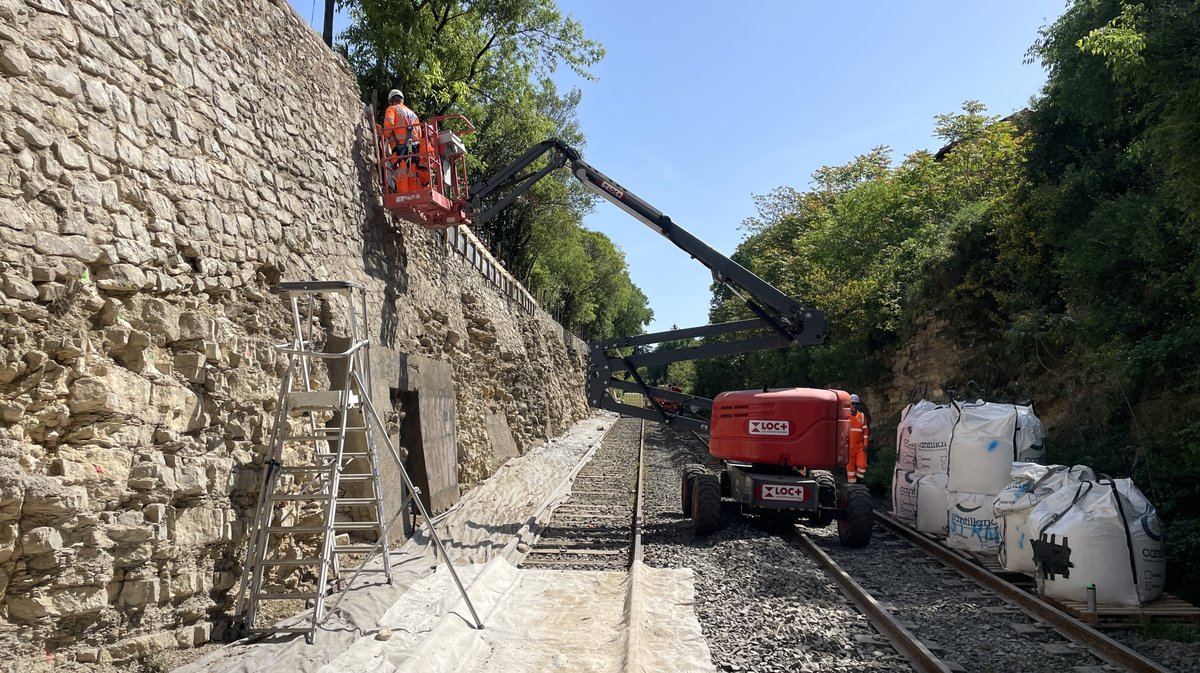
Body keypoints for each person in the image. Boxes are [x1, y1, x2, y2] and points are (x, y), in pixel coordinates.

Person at [382, 89, 422, 192]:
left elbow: (388, 126)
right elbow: (419, 134)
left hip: (400, 149)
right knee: (412, 174)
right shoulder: (414, 115)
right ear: (402, 100)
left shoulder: (392, 109)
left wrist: (384, 135)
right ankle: (414, 198)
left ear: (391, 101)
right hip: (415, 149)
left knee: (401, 173)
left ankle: (404, 197)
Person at [847, 393, 869, 483]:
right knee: (850, 469)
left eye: (856, 404)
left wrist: (866, 443)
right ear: (849, 404)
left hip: (860, 446)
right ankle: (852, 485)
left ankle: (859, 479)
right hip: (848, 447)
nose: (854, 406)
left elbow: (865, 432)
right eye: (853, 403)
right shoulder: (845, 416)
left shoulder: (862, 416)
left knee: (863, 465)